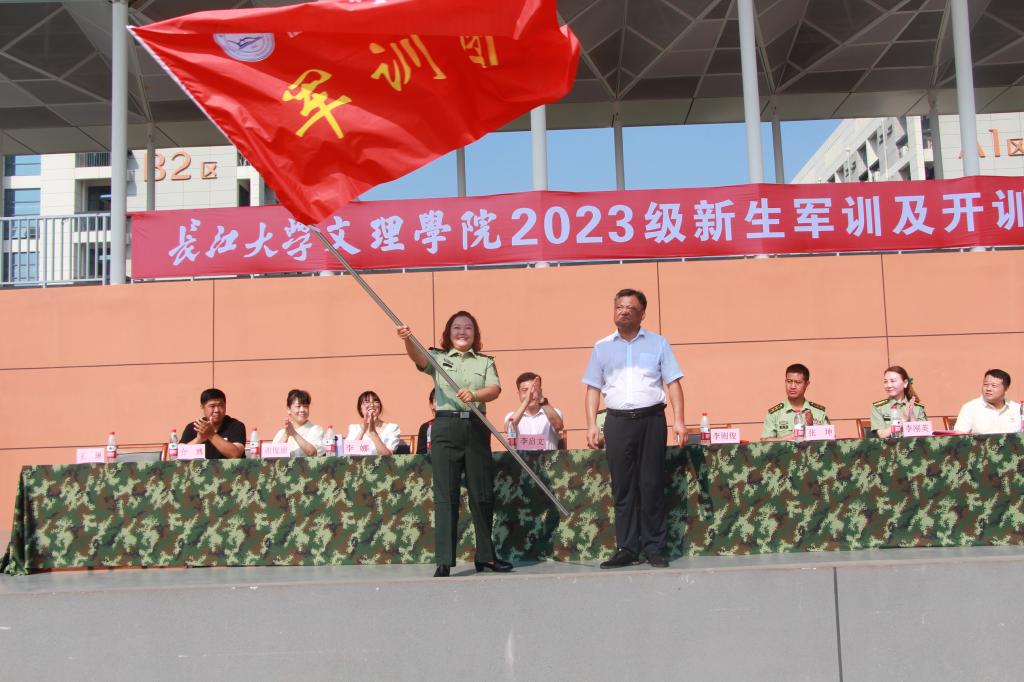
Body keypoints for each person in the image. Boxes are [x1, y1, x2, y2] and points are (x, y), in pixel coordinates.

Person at [397, 310, 512, 577]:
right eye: (457, 328)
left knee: (482, 494)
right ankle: (444, 560)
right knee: (446, 495)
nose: (462, 332)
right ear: (449, 333)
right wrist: (408, 339)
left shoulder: (485, 362)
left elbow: (495, 389)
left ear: (475, 334)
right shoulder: (438, 358)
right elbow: (418, 358)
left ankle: (486, 556)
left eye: (468, 328)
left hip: (476, 426)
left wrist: (475, 394)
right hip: (446, 427)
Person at [583, 288, 686, 569]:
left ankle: (654, 547)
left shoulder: (658, 343)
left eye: (630, 307)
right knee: (623, 487)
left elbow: (673, 383)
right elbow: (592, 388)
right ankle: (627, 548)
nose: (624, 311)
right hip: (616, 422)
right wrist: (591, 425)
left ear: (642, 314)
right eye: (619, 307)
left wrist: (678, 420)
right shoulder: (602, 347)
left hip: (651, 420)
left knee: (651, 484)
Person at [761, 363, 830, 441]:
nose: (792, 386)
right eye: (789, 381)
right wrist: (788, 438)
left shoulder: (819, 412)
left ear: (807, 384)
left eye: (798, 382)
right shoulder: (775, 413)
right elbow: (764, 441)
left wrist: (811, 427)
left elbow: (829, 439)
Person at [179, 387, 246, 459]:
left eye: (221, 405)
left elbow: (235, 455)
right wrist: (199, 439)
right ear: (202, 407)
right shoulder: (194, 427)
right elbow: (180, 454)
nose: (217, 410)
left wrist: (211, 434)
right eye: (212, 406)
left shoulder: (236, 425)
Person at [504, 372, 565, 450]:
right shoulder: (512, 415)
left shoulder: (553, 412)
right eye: (525, 390)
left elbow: (558, 426)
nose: (530, 394)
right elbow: (508, 428)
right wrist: (526, 401)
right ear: (518, 393)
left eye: (534, 390)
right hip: (521, 458)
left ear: (540, 391)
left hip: (547, 458)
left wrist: (541, 399)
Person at [953, 369, 1021, 434]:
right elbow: (959, 436)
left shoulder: (1017, 409)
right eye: (986, 384)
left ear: (1006, 388)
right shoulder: (970, 408)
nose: (988, 389)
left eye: (994, 386)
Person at [870, 366, 926, 437]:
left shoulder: (917, 408)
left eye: (893, 381)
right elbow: (882, 435)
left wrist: (912, 416)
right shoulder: (878, 407)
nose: (888, 385)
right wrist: (902, 421)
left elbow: (923, 436)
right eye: (885, 381)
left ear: (905, 383)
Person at [345, 390, 401, 456]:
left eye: (375, 401)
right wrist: (362, 431)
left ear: (380, 406)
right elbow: (349, 454)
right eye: (367, 402)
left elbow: (387, 456)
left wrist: (373, 433)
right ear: (360, 408)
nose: (372, 405)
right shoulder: (354, 428)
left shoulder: (392, 428)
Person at [272, 388, 325, 457]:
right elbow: (273, 457)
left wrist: (294, 433)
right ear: (289, 409)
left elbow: (312, 453)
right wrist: (286, 434)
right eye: (298, 406)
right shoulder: (281, 433)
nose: (302, 410)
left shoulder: (316, 430)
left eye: (306, 406)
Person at [415, 388, 436, 454]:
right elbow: (421, 454)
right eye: (438, 400)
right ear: (431, 404)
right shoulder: (426, 427)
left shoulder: (458, 424)